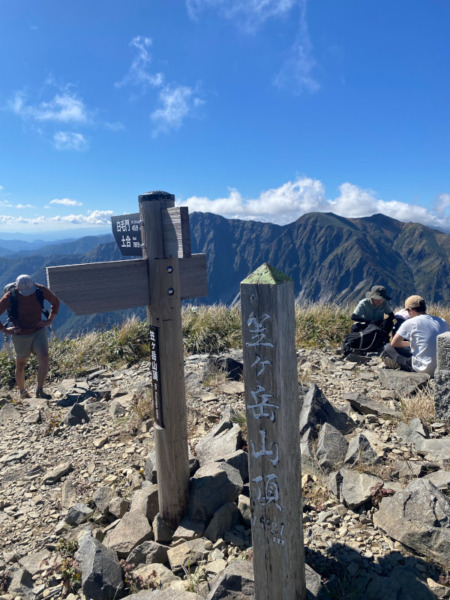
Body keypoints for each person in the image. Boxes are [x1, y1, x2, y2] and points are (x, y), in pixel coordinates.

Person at [0, 274, 60, 399]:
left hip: (38, 331)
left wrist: (49, 320)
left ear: (34, 285)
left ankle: (40, 390)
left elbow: (55, 302)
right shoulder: (10, 296)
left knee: (44, 357)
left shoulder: (40, 290)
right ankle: (22, 392)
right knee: (21, 363)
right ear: (16, 287)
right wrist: (4, 329)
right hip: (20, 335)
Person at [382, 295, 449, 375]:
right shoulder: (442, 321)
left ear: (411, 309)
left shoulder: (410, 322)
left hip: (424, 369)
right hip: (443, 367)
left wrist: (410, 343)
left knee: (388, 347)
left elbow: (394, 343)